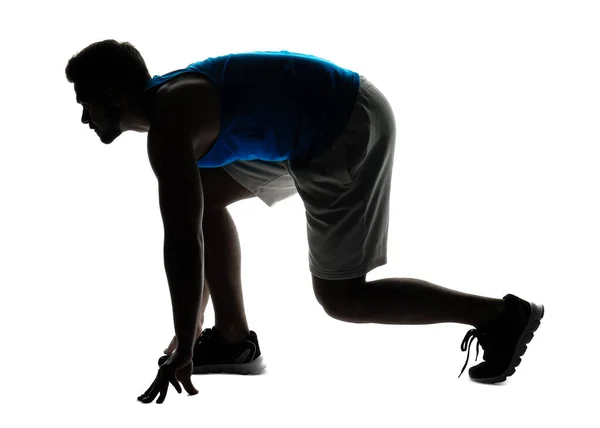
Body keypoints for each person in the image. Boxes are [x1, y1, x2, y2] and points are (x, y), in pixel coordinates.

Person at [65, 40, 545, 404]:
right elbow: (193, 223)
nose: (82, 116)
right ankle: (233, 340)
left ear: (112, 94)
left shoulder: (170, 125)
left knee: (343, 297)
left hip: (343, 125)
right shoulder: (171, 107)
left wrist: (185, 342)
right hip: (308, 126)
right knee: (208, 194)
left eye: (83, 100)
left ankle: (500, 316)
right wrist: (189, 330)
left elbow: (183, 245)